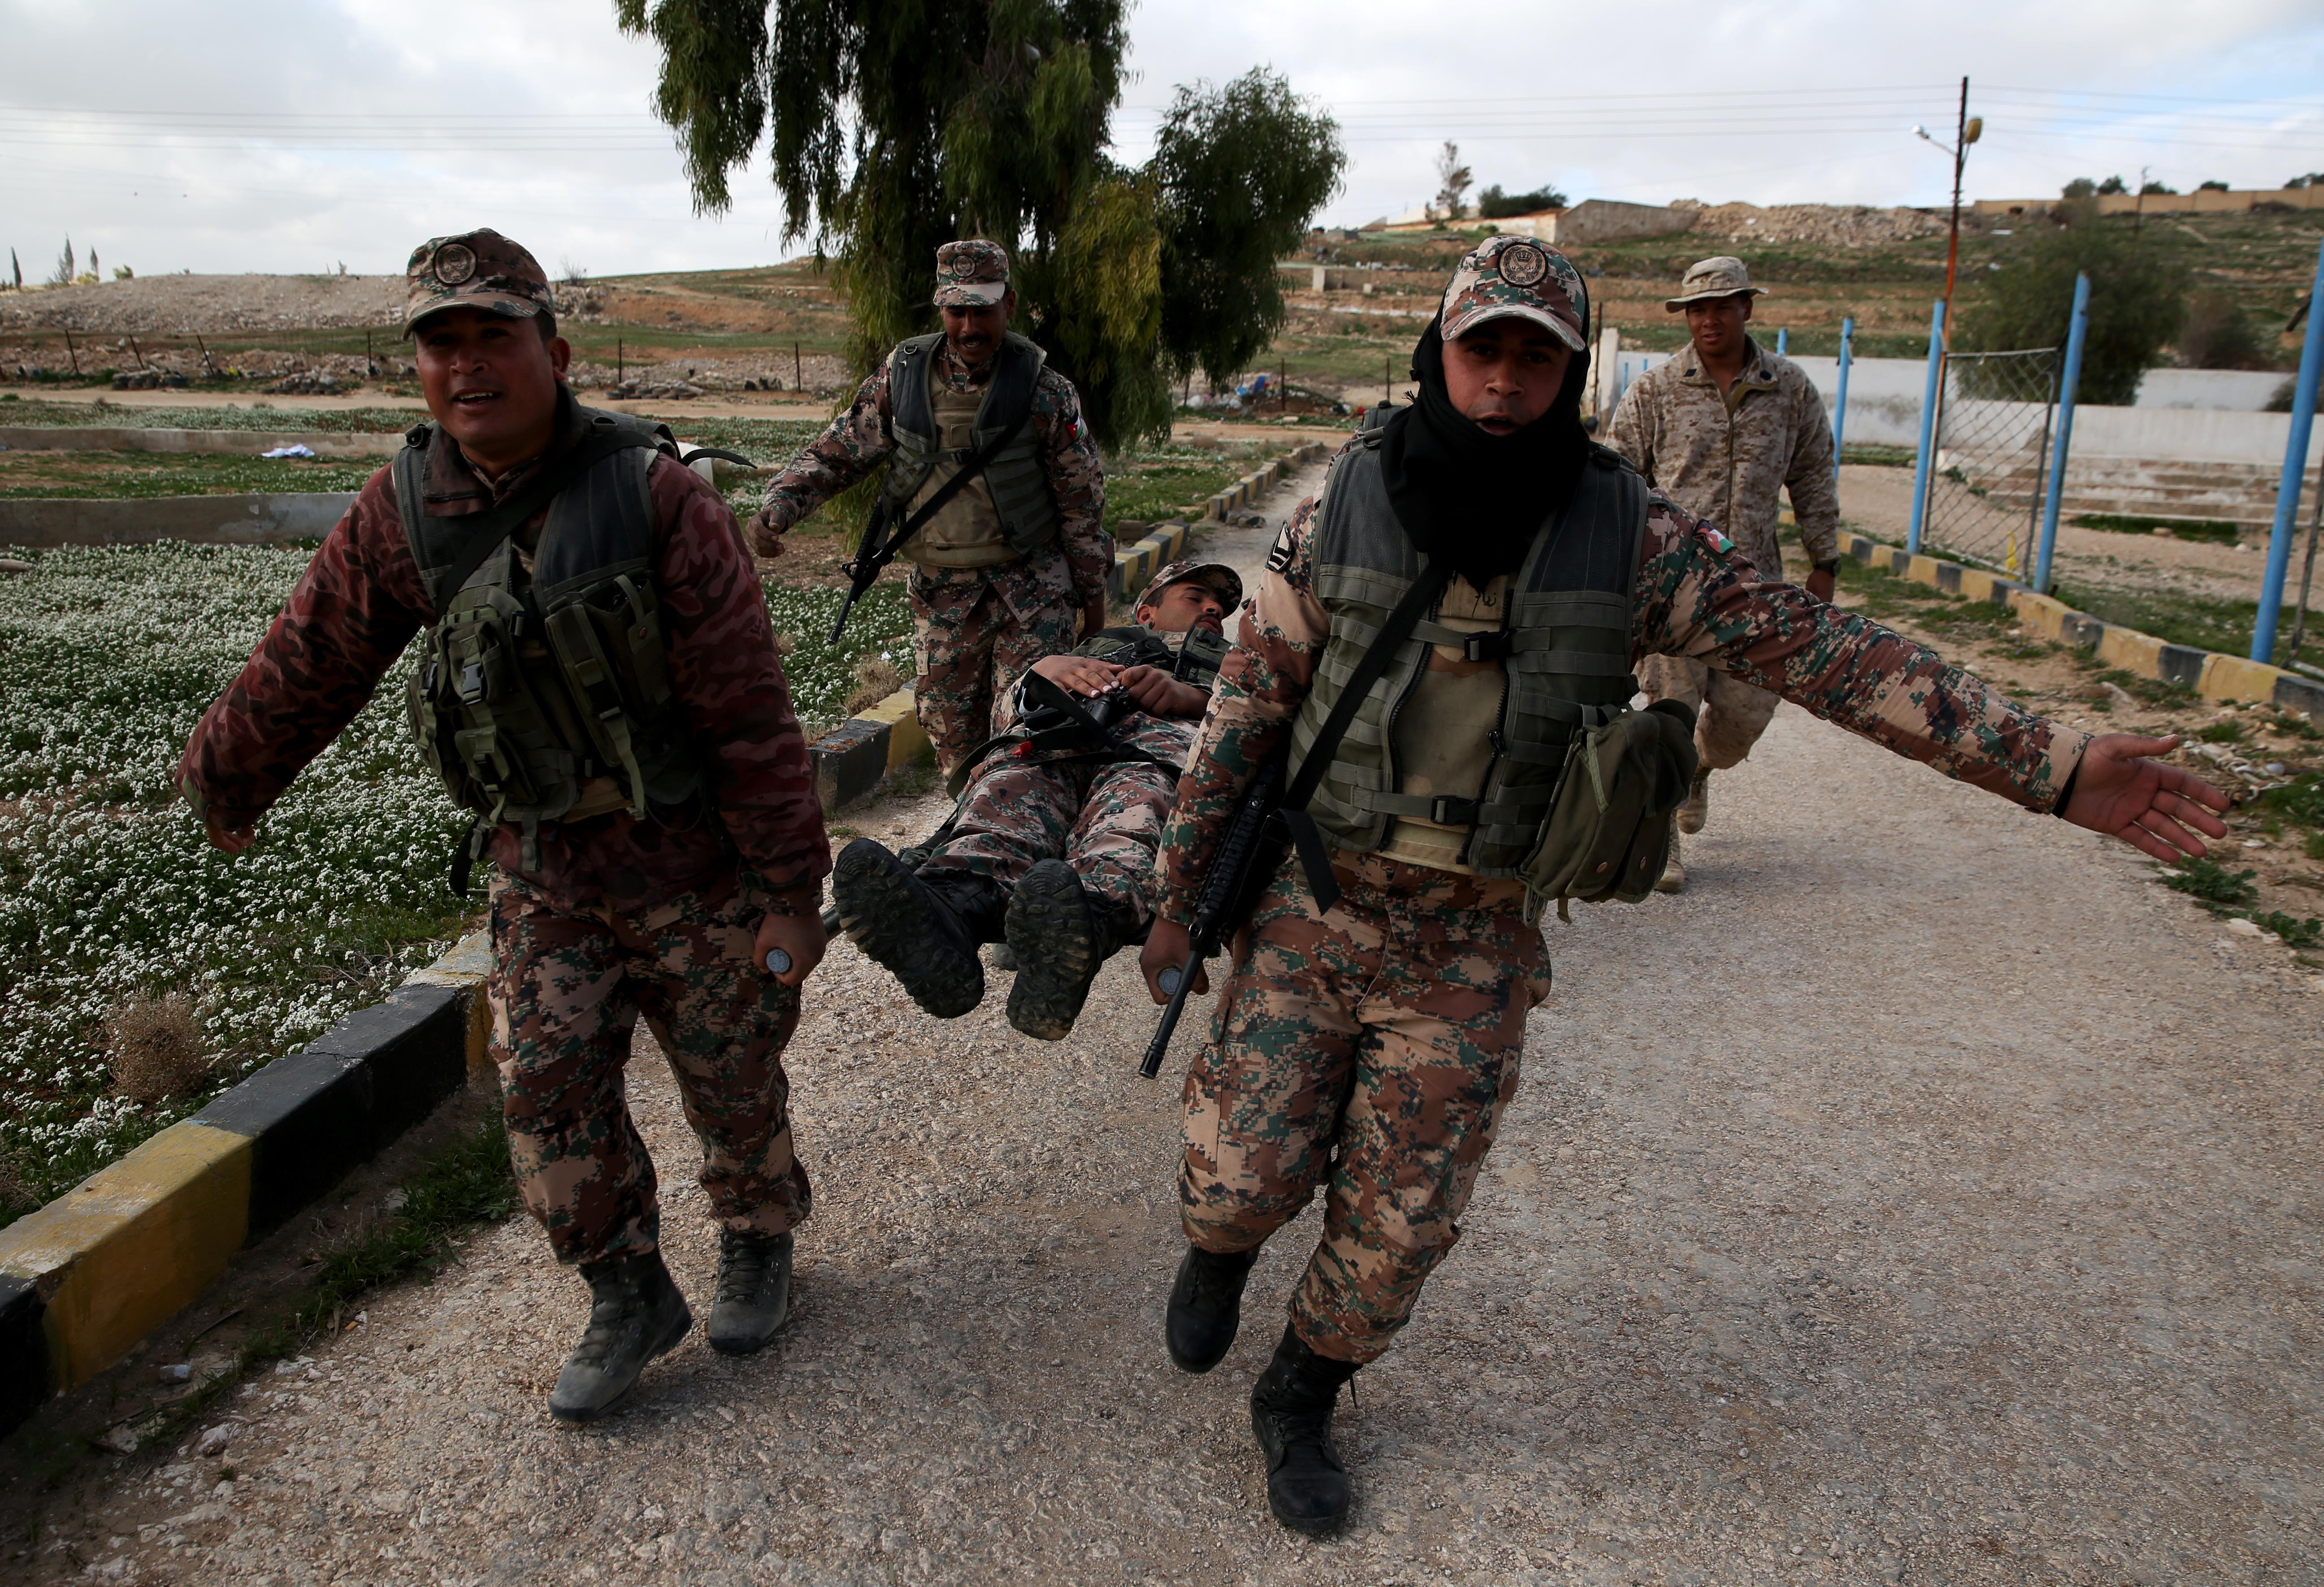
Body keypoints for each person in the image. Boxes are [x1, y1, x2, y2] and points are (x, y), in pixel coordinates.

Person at [1135, 234, 2230, 1535]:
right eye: (1481, 350)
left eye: (1535, 357)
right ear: (1439, 352)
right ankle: (1220, 1248)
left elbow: (1828, 654)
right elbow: (1244, 712)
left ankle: (1301, 1391)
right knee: (1236, 1179)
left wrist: (2050, 766)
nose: (1503, 382)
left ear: (1570, 373)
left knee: (1400, 1227)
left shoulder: (1630, 536)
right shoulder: (1341, 508)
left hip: (1470, 944)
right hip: (1315, 905)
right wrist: (1178, 894)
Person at [177, 230, 830, 1424]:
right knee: (543, 1089)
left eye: (494, 336)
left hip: (693, 863)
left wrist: (791, 889)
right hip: (544, 869)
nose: (467, 365)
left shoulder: (657, 497)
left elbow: (748, 708)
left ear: (555, 354)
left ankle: (758, 1233)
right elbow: (315, 651)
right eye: (442, 344)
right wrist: (228, 778)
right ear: (419, 368)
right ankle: (627, 1289)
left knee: (732, 1072)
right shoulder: (406, 509)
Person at [834, 560, 1239, 1040]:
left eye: (1221, 607)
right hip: (1055, 741)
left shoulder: (1237, 663)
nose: (1214, 608)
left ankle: (1081, 925)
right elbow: (1005, 718)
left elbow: (1268, 722)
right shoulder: (1096, 648)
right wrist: (1035, 678)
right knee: (1006, 794)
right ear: (1146, 613)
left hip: (1155, 751)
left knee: (1135, 811)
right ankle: (951, 913)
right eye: (1195, 597)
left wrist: (1200, 700)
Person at [750, 240, 1109, 776]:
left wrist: (1093, 608)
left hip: (1033, 592)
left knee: (1028, 738)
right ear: (941, 308)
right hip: (944, 596)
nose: (969, 326)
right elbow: (840, 452)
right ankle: (969, 823)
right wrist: (780, 505)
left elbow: (1081, 504)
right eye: (956, 311)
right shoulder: (903, 378)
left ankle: (1018, 820)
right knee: (954, 743)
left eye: (982, 311)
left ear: (1009, 305)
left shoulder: (1045, 391)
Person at [1606, 256, 1843, 890]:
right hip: (1671, 585)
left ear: (1747, 309)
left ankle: (1698, 772)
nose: (1708, 320)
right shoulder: (1656, 390)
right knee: (1670, 713)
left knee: (1743, 723)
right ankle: (1661, 836)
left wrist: (1824, 561)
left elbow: (1813, 475)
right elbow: (1617, 478)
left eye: (1721, 306)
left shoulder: (1789, 390)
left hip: (1755, 588)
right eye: (1697, 310)